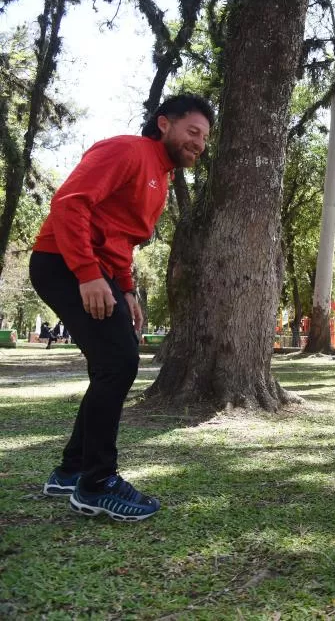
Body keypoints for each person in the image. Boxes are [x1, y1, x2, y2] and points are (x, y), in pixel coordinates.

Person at [30, 94, 214, 521]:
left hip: (96, 269)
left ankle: (71, 471)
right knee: (118, 361)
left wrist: (126, 289)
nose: (199, 143)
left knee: (111, 363)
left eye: (204, 137)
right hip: (62, 261)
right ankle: (95, 485)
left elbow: (121, 239)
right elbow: (70, 203)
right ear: (164, 124)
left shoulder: (161, 177)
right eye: (193, 131)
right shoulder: (128, 150)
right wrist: (88, 275)